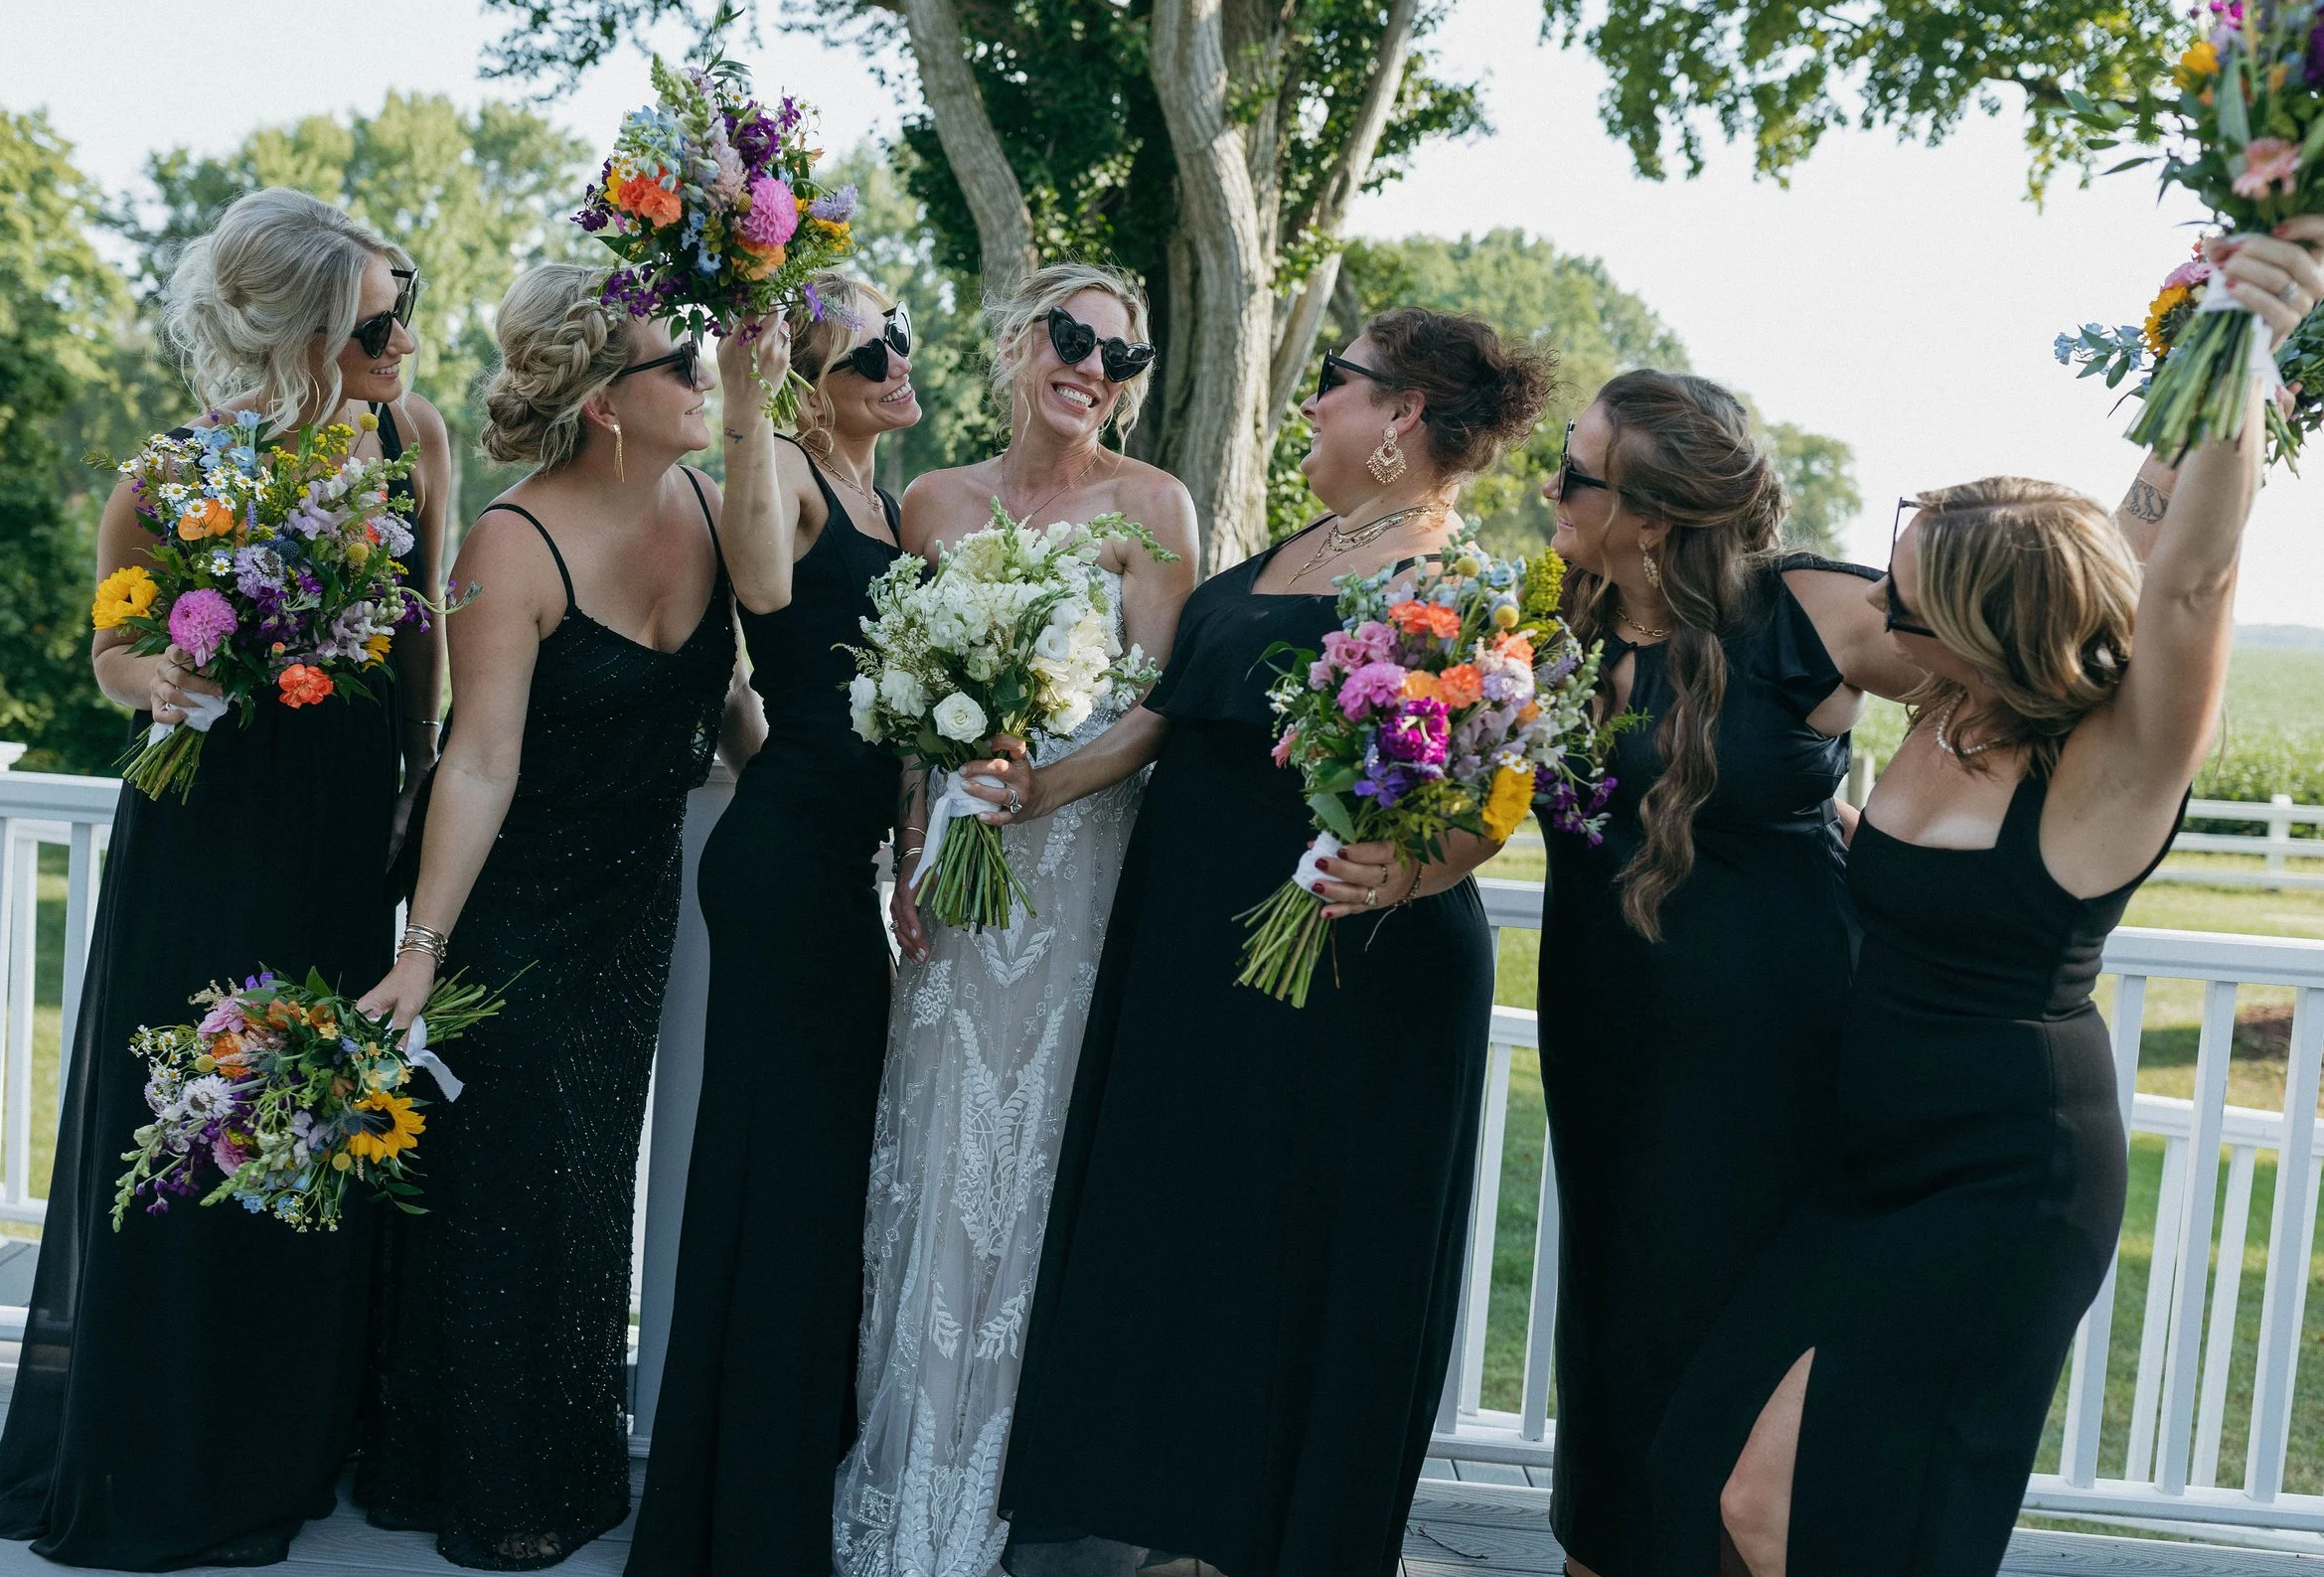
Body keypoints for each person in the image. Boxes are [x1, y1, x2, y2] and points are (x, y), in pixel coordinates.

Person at [1647, 224, 2323, 1577]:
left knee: (1797, 1510)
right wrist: (2214, 337)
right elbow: (2136, 514)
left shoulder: (2113, 769)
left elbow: (2180, 575)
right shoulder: (1950, 707)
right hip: (1864, 1164)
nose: (1880, 614)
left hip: (2001, 1186)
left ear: (1986, 620)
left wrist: (2258, 359)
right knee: (1704, 1469)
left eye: (1907, 599)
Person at [977, 308, 1548, 1575]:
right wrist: (1045, 787)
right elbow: (1178, 713)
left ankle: (1250, 1541)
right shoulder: (1309, 543)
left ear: (1398, 415)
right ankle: (1173, 1522)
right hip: (1193, 948)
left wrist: (1402, 869)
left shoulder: (1454, 585)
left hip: (1336, 962)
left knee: (1283, 1245)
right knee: (1188, 1231)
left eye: (1332, 385)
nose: (1310, 404)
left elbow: (1490, 796)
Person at [0, 187, 449, 1569]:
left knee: (309, 1112)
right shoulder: (169, 476)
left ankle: (287, 1434)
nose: (404, 341)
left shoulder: (406, 438)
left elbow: (420, 646)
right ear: (299, 332)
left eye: (402, 306)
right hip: (208, 834)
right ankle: (170, 1435)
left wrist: (413, 790)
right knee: (193, 1112)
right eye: (376, 321)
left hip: (343, 833)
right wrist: (158, 676)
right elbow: (111, 652)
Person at [349, 263, 756, 1568]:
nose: (702, 376)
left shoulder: (704, 498)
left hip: (634, 905)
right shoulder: (506, 544)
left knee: (583, 1183)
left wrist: (825, 791)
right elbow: (477, 759)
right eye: (674, 364)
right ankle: (478, 1474)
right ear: (603, 405)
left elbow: (733, 706)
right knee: (509, 1181)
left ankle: (563, 1459)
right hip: (518, 907)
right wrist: (422, 948)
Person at [1529, 371, 1927, 1577]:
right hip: (1602, 1038)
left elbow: (2030, 673)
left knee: (1729, 1344)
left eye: (1576, 470)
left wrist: (1914, 841)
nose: (1550, 482)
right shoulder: (1554, 626)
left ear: (1652, 517)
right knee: (1616, 1325)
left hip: (1775, 1053)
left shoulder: (1811, 609)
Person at [834, 263, 1197, 1577]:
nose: (1092, 366)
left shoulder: (1154, 507)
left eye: (1121, 355)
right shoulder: (932, 501)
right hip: (959, 885)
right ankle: (915, 1473)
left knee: (1037, 1160)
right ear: (1016, 340)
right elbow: (907, 697)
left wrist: (1049, 782)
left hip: (1079, 874)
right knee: (935, 1151)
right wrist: (913, 841)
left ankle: (1020, 1488)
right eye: (1071, 334)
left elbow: (1159, 710)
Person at [627, 272, 920, 1576]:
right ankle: (738, 1517)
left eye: (904, 334)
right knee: (776, 1180)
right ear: (810, 375)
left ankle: (785, 1471)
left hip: (843, 864)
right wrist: (747, 405)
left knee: (816, 1186)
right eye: (874, 344)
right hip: (785, 867)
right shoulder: (794, 476)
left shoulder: (889, 500)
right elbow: (758, 580)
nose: (902, 357)